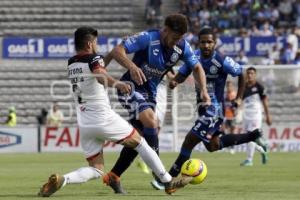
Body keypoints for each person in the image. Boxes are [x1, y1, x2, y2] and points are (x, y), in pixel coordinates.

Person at [38, 26, 192, 197]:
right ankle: (168, 181)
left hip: (85, 123)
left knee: (96, 169)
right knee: (141, 143)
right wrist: (116, 83)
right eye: (95, 42)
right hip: (103, 118)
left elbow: (96, 66)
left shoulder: (72, 62)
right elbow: (98, 72)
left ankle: (63, 179)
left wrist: (112, 54)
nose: (97, 46)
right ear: (90, 43)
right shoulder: (94, 59)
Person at [102, 13, 210, 193]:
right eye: (174, 38)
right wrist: (132, 67)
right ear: (165, 30)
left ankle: (114, 175)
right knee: (152, 122)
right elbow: (117, 51)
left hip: (149, 94)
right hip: (130, 87)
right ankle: (161, 175)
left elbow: (197, 67)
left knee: (139, 138)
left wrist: (204, 90)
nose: (176, 42)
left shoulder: (181, 47)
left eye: (179, 39)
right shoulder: (148, 38)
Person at [151, 27, 265, 189]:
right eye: (203, 42)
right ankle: (252, 136)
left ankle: (167, 179)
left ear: (215, 43)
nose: (206, 45)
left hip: (215, 110)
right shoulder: (193, 57)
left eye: (209, 42)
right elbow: (182, 74)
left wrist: (239, 98)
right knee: (212, 145)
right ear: (198, 43)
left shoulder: (221, 60)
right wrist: (176, 81)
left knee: (189, 140)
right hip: (202, 109)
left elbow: (242, 73)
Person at [240, 67, 271, 166]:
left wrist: (268, 115)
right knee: (247, 138)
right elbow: (240, 101)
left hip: (256, 115)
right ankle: (263, 149)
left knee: (251, 136)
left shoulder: (259, 87)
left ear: (255, 75)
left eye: (252, 73)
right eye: (248, 73)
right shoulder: (243, 87)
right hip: (246, 115)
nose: (249, 75)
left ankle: (249, 160)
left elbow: (265, 102)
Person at [224, 80, 238, 154]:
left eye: (230, 86)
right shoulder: (225, 94)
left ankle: (232, 147)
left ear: (232, 86)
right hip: (226, 116)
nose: (229, 87)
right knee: (226, 132)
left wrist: (236, 110)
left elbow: (237, 105)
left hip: (232, 116)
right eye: (228, 86)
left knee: (232, 132)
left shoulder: (234, 95)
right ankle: (227, 146)